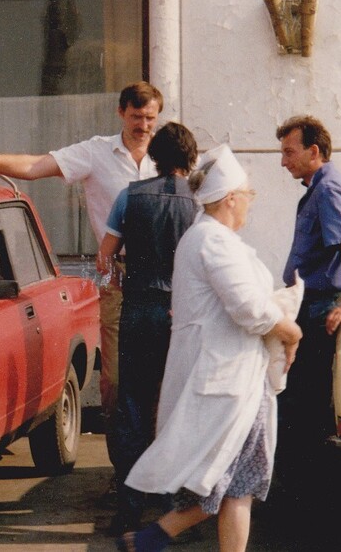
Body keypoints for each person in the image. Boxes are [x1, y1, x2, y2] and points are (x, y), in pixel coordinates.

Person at [0, 81, 161, 479]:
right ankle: (125, 475)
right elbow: (34, 167)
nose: (144, 126)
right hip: (119, 282)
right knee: (115, 384)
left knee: (161, 381)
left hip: (165, 284)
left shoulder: (165, 155)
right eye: (137, 118)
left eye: (151, 118)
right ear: (122, 113)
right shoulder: (97, 152)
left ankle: (156, 472)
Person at [119, 144, 303, 552]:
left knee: (238, 484)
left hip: (240, 380)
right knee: (224, 479)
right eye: (249, 197)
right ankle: (152, 537)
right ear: (232, 198)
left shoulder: (210, 238)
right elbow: (250, 310)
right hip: (227, 383)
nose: (250, 205)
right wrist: (292, 332)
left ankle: (152, 538)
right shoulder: (212, 241)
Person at [95, 122, 198, 534]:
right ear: (189, 159)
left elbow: (104, 260)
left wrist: (118, 283)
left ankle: (129, 506)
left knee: (133, 407)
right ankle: (174, 507)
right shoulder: (201, 202)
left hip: (139, 310)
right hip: (183, 315)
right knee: (178, 409)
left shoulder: (129, 196)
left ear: (154, 157)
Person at [274, 116, 341, 498]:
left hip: (319, 307)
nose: (283, 161)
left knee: (303, 401)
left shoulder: (328, 190)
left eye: (289, 152)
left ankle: (305, 493)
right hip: (308, 304)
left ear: (314, 151)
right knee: (300, 398)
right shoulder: (319, 189)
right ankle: (304, 488)